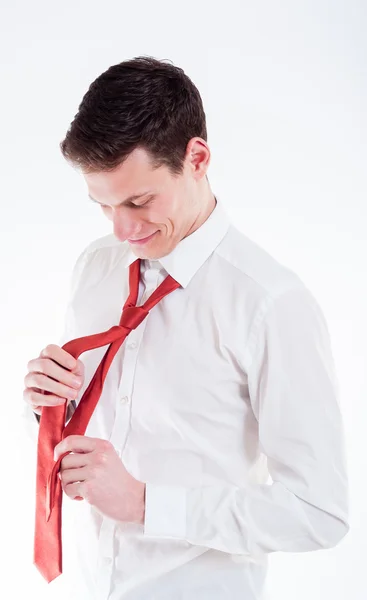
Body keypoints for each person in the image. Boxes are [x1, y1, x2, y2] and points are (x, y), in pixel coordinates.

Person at [23, 56, 349, 599]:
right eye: (103, 206)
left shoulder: (272, 304)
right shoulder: (97, 267)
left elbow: (319, 512)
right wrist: (49, 403)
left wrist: (147, 503)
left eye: (140, 200)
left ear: (196, 158)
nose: (123, 228)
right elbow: (98, 423)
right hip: (90, 584)